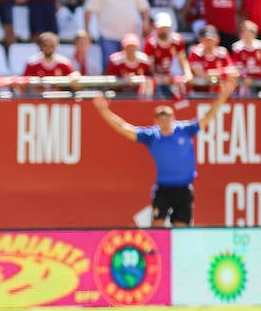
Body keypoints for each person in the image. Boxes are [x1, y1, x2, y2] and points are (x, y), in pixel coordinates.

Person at [92, 73, 237, 226]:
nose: (165, 122)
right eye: (161, 119)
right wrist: (104, 111)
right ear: (156, 121)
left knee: (181, 228)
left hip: (184, 189)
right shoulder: (151, 136)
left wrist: (223, 95)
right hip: (163, 189)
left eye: (167, 118)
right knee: (157, 226)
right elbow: (124, 128)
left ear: (173, 119)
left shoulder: (185, 130)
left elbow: (208, 116)